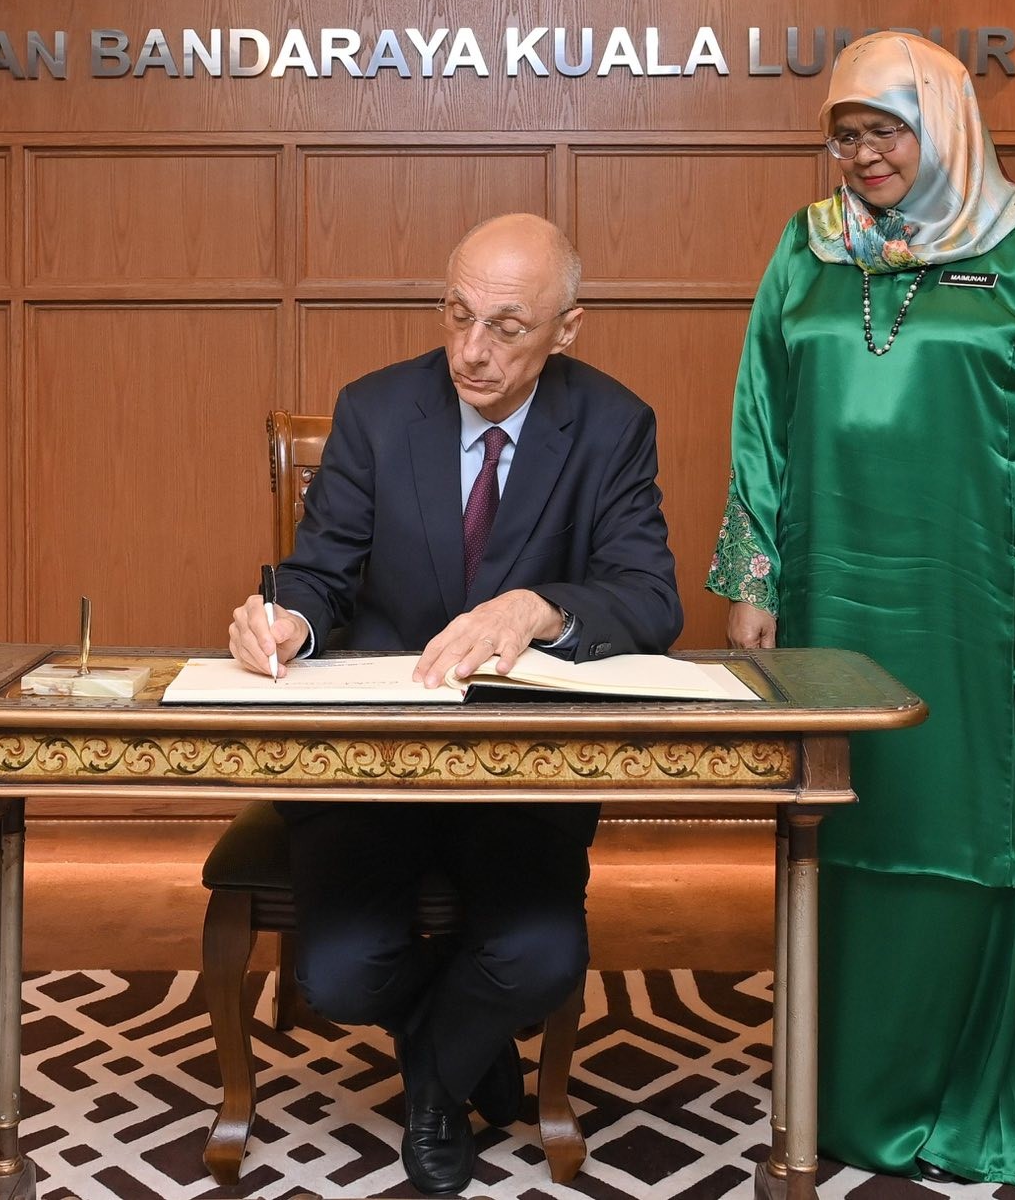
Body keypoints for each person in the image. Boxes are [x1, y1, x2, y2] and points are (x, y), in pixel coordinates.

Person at [706, 32, 1015, 1196]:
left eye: (883, 130)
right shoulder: (805, 248)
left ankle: (974, 1096)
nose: (861, 155)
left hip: (983, 606)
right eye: (843, 134)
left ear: (942, 122)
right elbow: (758, 422)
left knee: (977, 829)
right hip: (831, 599)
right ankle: (848, 1088)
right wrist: (752, 578)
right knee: (844, 826)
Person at [227, 212, 682, 1196]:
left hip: (522, 771)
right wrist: (286, 621)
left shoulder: (612, 424)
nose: (471, 351)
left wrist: (540, 606)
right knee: (338, 974)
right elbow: (319, 573)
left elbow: (651, 599)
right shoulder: (375, 411)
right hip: (371, 764)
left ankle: (432, 1086)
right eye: (455, 315)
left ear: (565, 329)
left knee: (542, 957)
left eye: (506, 328)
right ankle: (471, 1053)